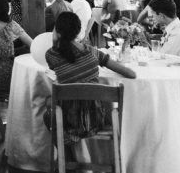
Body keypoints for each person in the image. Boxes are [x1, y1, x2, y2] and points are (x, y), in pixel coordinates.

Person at [45, 12, 136, 144]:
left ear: (57, 31)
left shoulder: (51, 55)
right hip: (96, 120)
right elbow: (131, 74)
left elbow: (57, 70)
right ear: (78, 32)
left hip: (68, 121)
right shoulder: (92, 52)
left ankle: (64, 159)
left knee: (48, 106)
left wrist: (55, 40)